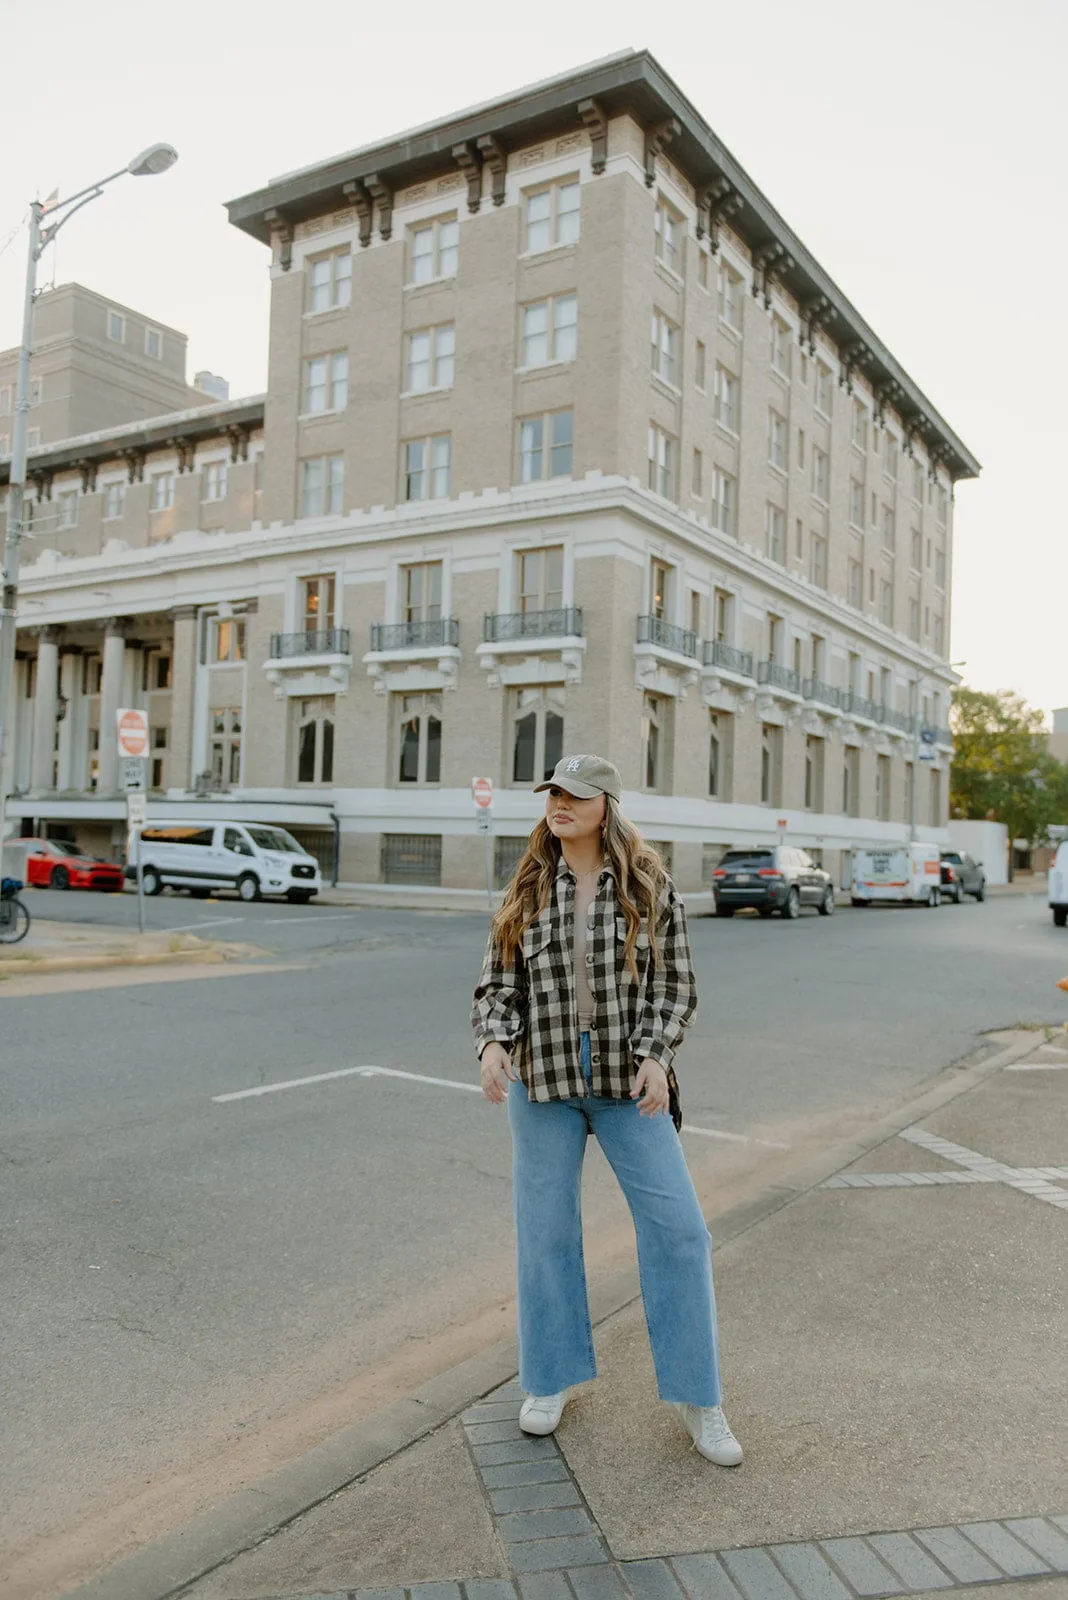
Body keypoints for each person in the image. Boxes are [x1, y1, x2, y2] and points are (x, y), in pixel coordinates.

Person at [471, 753, 741, 1466]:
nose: (560, 804)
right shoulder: (527, 886)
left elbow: (674, 983)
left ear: (607, 808)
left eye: (576, 795)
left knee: (681, 1233)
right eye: (553, 792)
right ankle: (550, 1381)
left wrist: (656, 1055)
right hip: (544, 1082)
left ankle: (698, 1396)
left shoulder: (648, 887)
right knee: (546, 1233)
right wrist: (494, 1044)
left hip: (629, 1084)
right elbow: (497, 982)